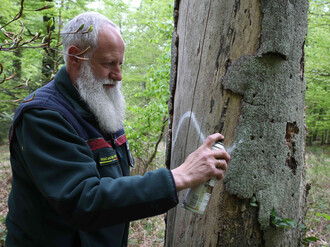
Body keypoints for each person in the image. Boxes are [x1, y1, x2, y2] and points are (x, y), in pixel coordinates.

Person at [5, 12, 230, 247]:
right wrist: (178, 177)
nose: (119, 75)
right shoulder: (42, 116)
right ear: (75, 57)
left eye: (120, 64)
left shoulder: (99, 104)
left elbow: (114, 190)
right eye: (108, 63)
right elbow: (84, 200)